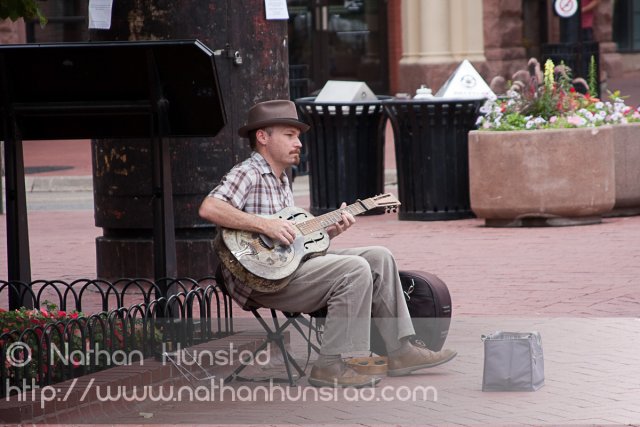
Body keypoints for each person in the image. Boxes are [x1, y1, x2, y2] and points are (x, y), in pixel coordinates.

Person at [199, 100, 457, 388]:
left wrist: (330, 233)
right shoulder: (248, 172)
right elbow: (210, 208)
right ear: (262, 137)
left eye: (298, 136)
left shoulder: (283, 178)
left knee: (379, 256)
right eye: (289, 135)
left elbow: (293, 242)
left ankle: (400, 351)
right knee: (355, 269)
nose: (298, 142)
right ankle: (329, 365)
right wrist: (265, 224)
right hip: (259, 279)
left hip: (290, 268)